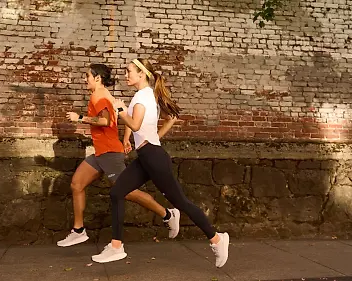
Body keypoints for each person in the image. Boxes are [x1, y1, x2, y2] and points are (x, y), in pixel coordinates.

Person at [91, 59, 229, 268]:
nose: (126, 75)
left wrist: (121, 111)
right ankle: (116, 246)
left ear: (141, 74)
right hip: (147, 156)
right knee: (117, 192)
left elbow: (135, 125)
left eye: (129, 72)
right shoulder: (147, 95)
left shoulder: (142, 96)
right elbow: (170, 118)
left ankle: (217, 239)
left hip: (154, 158)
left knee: (181, 202)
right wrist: (153, 137)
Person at [57, 63, 180, 247]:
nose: (85, 80)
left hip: (110, 153)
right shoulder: (101, 94)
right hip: (101, 152)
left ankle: (168, 214)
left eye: (88, 76)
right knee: (77, 184)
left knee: (128, 192)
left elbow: (106, 121)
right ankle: (79, 230)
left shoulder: (99, 96)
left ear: (97, 78)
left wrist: (80, 118)